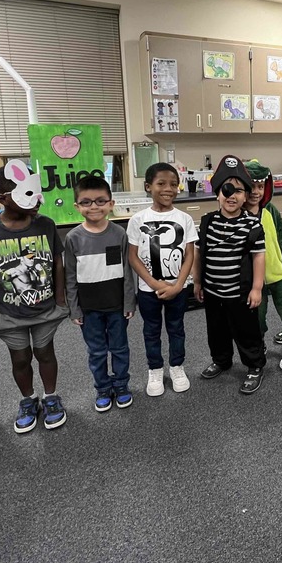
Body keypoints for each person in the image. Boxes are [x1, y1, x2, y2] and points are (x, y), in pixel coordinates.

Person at [0, 162, 68, 433]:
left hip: (46, 309)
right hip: (10, 313)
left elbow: (58, 262)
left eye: (36, 193)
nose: (36, 201)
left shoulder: (45, 225)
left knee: (45, 353)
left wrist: (60, 299)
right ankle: (28, 400)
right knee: (20, 359)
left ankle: (51, 397)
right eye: (27, 195)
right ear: (3, 199)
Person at [194, 156, 268, 393]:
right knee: (216, 330)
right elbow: (198, 254)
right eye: (227, 189)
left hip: (240, 292)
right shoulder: (207, 223)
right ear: (217, 193)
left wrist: (257, 288)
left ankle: (255, 365)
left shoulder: (252, 225)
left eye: (238, 191)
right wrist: (197, 282)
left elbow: (258, 256)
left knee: (247, 331)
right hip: (213, 291)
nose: (232, 196)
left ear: (246, 196)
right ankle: (221, 360)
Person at [64, 175, 137, 412]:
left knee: (119, 348)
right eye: (86, 202)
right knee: (96, 351)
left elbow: (127, 272)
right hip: (89, 309)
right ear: (77, 206)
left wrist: (129, 302)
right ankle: (103, 389)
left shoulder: (119, 234)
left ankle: (122, 385)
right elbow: (70, 277)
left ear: (111, 204)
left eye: (100, 201)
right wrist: (74, 308)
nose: (93, 206)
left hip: (116, 306)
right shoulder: (73, 238)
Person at [126, 162, 197, 397]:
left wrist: (178, 285)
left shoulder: (184, 218)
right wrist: (156, 284)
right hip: (149, 290)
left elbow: (189, 255)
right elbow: (133, 257)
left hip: (179, 288)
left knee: (177, 329)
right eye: (161, 183)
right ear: (148, 187)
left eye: (174, 184)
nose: (168, 189)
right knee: (151, 330)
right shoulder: (138, 219)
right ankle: (155, 369)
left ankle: (177, 366)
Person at [241, 159, 282, 372]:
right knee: (256, 316)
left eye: (260, 187)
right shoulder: (238, 215)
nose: (255, 192)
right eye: (250, 187)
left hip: (278, 273)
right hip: (252, 280)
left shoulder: (271, 211)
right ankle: (260, 343)